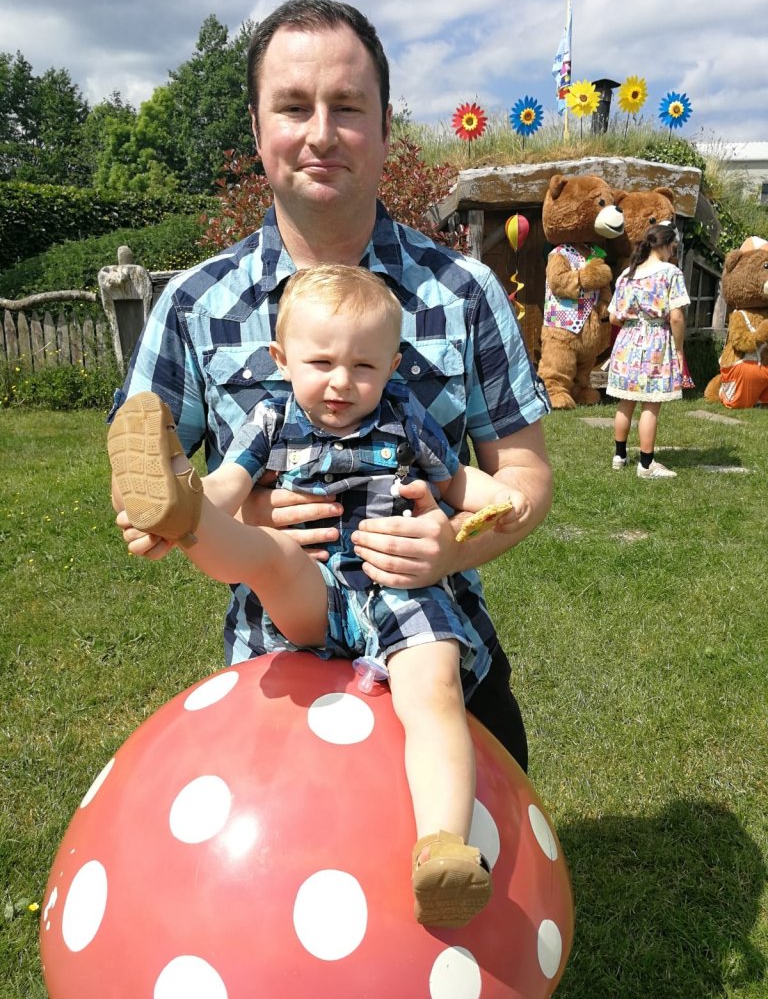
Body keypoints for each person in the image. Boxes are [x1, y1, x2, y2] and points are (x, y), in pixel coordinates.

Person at [109, 0, 552, 770]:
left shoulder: (464, 291)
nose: (320, 133)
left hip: (445, 654)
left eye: (346, 106)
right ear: (257, 130)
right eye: (293, 106)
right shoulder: (193, 305)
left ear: (384, 128)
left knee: (482, 844)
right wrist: (223, 511)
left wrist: (451, 544)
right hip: (276, 663)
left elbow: (525, 476)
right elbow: (145, 488)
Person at [109, 264, 529, 927]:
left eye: (364, 366)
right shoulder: (271, 418)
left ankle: (443, 849)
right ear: (281, 360)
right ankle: (183, 515)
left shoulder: (406, 417)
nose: (341, 382)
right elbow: (230, 483)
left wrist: (502, 497)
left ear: (393, 367)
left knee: (437, 690)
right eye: (321, 362)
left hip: (402, 588)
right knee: (270, 559)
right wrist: (204, 501)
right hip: (314, 584)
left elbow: (455, 482)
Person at [607, 223, 690, 479]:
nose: (673, 252)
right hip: (655, 342)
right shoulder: (670, 273)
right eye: (673, 247)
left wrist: (633, 319)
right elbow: (676, 316)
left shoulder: (627, 274)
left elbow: (613, 317)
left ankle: (619, 456)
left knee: (626, 400)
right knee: (651, 403)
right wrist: (679, 349)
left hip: (627, 342)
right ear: (664, 245)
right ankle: (646, 464)